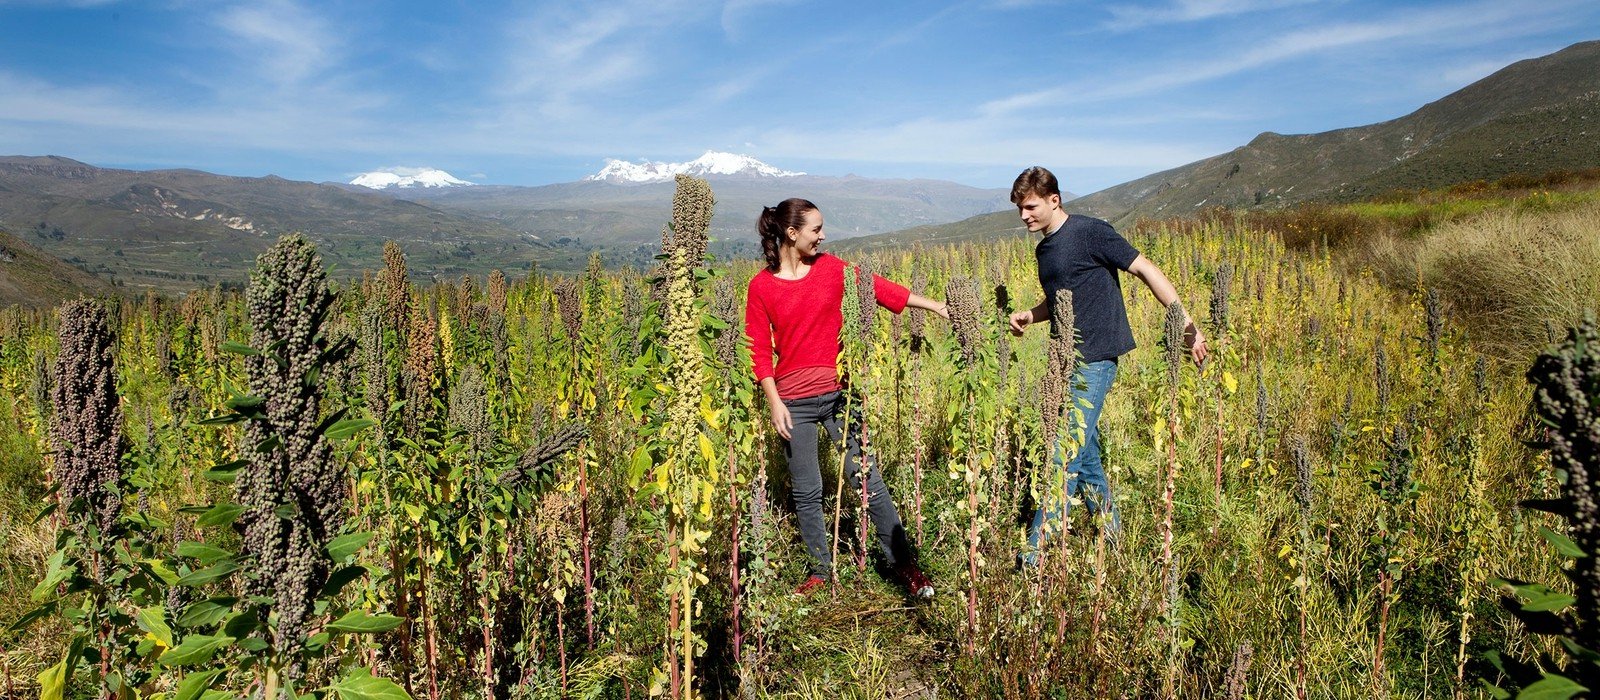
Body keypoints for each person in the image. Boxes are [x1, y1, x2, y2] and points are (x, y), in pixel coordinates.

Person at [744, 197, 948, 598]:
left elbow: (881, 290)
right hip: (793, 403)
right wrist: (774, 401)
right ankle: (821, 572)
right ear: (791, 233)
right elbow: (757, 350)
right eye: (816, 229)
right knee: (807, 490)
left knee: (866, 479)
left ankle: (906, 567)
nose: (823, 236)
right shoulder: (761, 287)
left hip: (840, 396)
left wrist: (937, 306)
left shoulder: (833, 269)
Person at [1006, 166, 1208, 563]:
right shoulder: (1044, 250)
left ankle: (1034, 557)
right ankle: (1111, 539)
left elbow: (1145, 269)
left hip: (1097, 359)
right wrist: (1032, 315)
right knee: (1089, 454)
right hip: (1066, 360)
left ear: (1053, 200)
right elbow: (1062, 297)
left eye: (1030, 207)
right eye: (1019, 209)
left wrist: (1184, 323)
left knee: (1064, 452)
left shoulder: (1090, 232)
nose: (1024, 216)